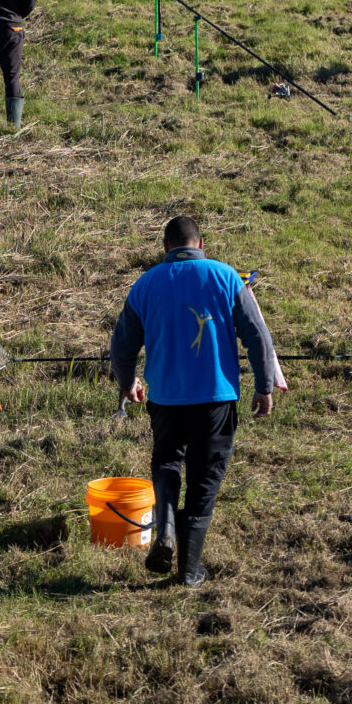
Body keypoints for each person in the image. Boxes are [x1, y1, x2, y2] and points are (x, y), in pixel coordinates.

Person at [109, 216, 286, 587]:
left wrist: (128, 384)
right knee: (204, 479)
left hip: (166, 399)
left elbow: (122, 345)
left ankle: (166, 528)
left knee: (167, 462)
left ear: (165, 247)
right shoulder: (226, 277)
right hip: (216, 400)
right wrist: (264, 386)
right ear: (201, 244)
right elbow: (257, 335)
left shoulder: (145, 284)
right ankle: (189, 571)